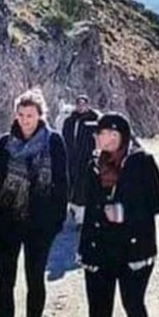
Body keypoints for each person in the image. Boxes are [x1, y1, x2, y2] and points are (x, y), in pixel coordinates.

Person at [70, 112, 159, 317]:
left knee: (133, 304)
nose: (106, 139)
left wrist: (126, 211)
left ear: (124, 135)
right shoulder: (93, 165)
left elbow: (158, 203)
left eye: (112, 134)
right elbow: (89, 206)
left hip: (134, 249)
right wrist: (83, 248)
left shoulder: (142, 161)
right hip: (99, 251)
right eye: (102, 134)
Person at [0, 88, 68, 317]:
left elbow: (61, 184)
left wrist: (56, 221)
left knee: (34, 280)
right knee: (3, 283)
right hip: (7, 222)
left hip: (39, 225)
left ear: (40, 115)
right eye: (20, 115)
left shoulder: (53, 142)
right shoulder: (6, 142)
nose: (25, 121)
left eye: (30, 116)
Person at [62, 93, 99, 221]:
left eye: (84, 104)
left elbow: (98, 139)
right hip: (72, 158)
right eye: (79, 104)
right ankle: (72, 209)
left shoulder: (93, 120)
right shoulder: (70, 121)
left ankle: (81, 216)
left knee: (83, 186)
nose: (81, 106)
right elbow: (65, 138)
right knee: (71, 183)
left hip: (86, 159)